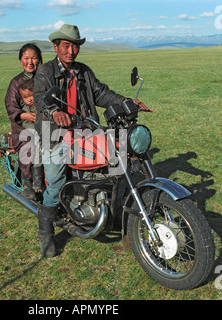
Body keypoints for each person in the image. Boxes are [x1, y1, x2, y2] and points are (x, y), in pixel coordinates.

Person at [33, 24, 147, 258]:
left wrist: (127, 102)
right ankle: (46, 235)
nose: (71, 50)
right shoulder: (45, 71)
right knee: (54, 182)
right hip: (54, 133)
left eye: (75, 46)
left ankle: (113, 218)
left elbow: (101, 93)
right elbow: (40, 99)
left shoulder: (83, 72)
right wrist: (55, 112)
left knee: (116, 168)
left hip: (85, 130)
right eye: (66, 45)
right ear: (56, 47)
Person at [5, 43, 43, 200]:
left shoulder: (44, 78)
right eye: (26, 58)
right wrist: (24, 116)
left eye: (34, 58)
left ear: (39, 60)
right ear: (20, 60)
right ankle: (28, 182)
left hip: (44, 122)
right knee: (29, 143)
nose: (30, 62)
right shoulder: (16, 82)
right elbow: (10, 105)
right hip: (23, 126)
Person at [17, 78, 43, 192]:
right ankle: (37, 181)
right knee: (38, 148)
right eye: (25, 98)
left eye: (30, 96)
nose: (29, 100)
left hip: (41, 130)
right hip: (32, 131)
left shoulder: (41, 106)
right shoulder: (26, 109)